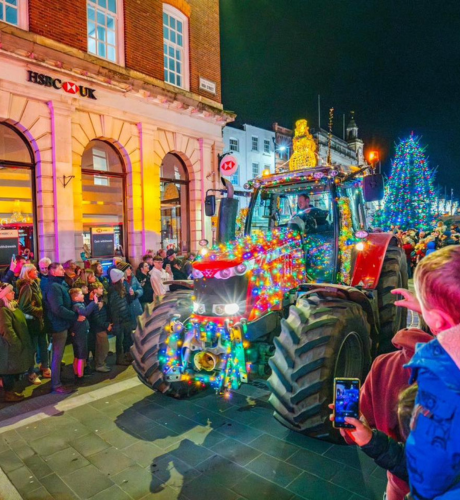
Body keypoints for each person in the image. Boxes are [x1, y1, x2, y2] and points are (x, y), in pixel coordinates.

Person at [399, 245, 460, 500]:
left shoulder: (438, 380)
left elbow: (430, 457)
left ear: (435, 321)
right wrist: (429, 310)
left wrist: (418, 496)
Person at [44, 262, 84, 394]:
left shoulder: (58, 284)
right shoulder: (54, 287)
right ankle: (56, 384)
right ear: (53, 271)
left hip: (61, 323)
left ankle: (58, 380)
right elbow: (58, 308)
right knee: (57, 355)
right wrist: (74, 316)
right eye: (61, 269)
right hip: (58, 325)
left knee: (58, 354)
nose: (63, 271)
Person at [17, 264, 51, 385]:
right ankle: (31, 373)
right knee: (33, 348)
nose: (37, 271)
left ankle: (44, 366)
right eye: (34, 270)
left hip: (39, 321)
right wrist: (39, 310)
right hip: (33, 322)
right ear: (27, 273)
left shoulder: (35, 283)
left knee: (44, 344)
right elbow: (24, 306)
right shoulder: (27, 287)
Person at [0, 283, 34, 402]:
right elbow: (7, 329)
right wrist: (15, 343)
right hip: (9, 347)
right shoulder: (3, 310)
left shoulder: (11, 306)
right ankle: (8, 393)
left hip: (13, 346)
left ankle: (10, 391)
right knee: (8, 370)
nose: (14, 293)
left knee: (10, 369)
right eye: (10, 291)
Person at [69, 288, 99, 382]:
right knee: (81, 355)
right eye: (81, 294)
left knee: (77, 355)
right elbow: (85, 312)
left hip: (78, 332)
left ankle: (77, 373)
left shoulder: (78, 304)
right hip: (80, 333)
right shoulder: (77, 305)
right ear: (75, 297)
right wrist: (94, 302)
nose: (83, 296)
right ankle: (80, 376)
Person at [108, 268, 133, 366]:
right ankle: (120, 358)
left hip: (125, 318)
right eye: (122, 277)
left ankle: (127, 355)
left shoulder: (122, 288)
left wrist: (131, 295)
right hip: (119, 320)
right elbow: (114, 308)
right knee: (120, 340)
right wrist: (116, 321)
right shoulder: (113, 291)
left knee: (127, 338)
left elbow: (127, 301)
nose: (123, 278)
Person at [88, 282, 112, 372]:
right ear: (95, 290)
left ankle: (101, 363)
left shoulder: (100, 300)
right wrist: (106, 325)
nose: (102, 290)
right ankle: (100, 365)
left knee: (102, 346)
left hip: (101, 327)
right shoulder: (94, 302)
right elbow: (96, 318)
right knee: (102, 347)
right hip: (99, 328)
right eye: (100, 288)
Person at [116, 261, 143, 329]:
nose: (130, 270)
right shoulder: (120, 282)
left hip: (137, 307)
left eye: (130, 268)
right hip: (128, 310)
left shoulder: (133, 278)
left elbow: (141, 289)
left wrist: (136, 293)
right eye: (127, 269)